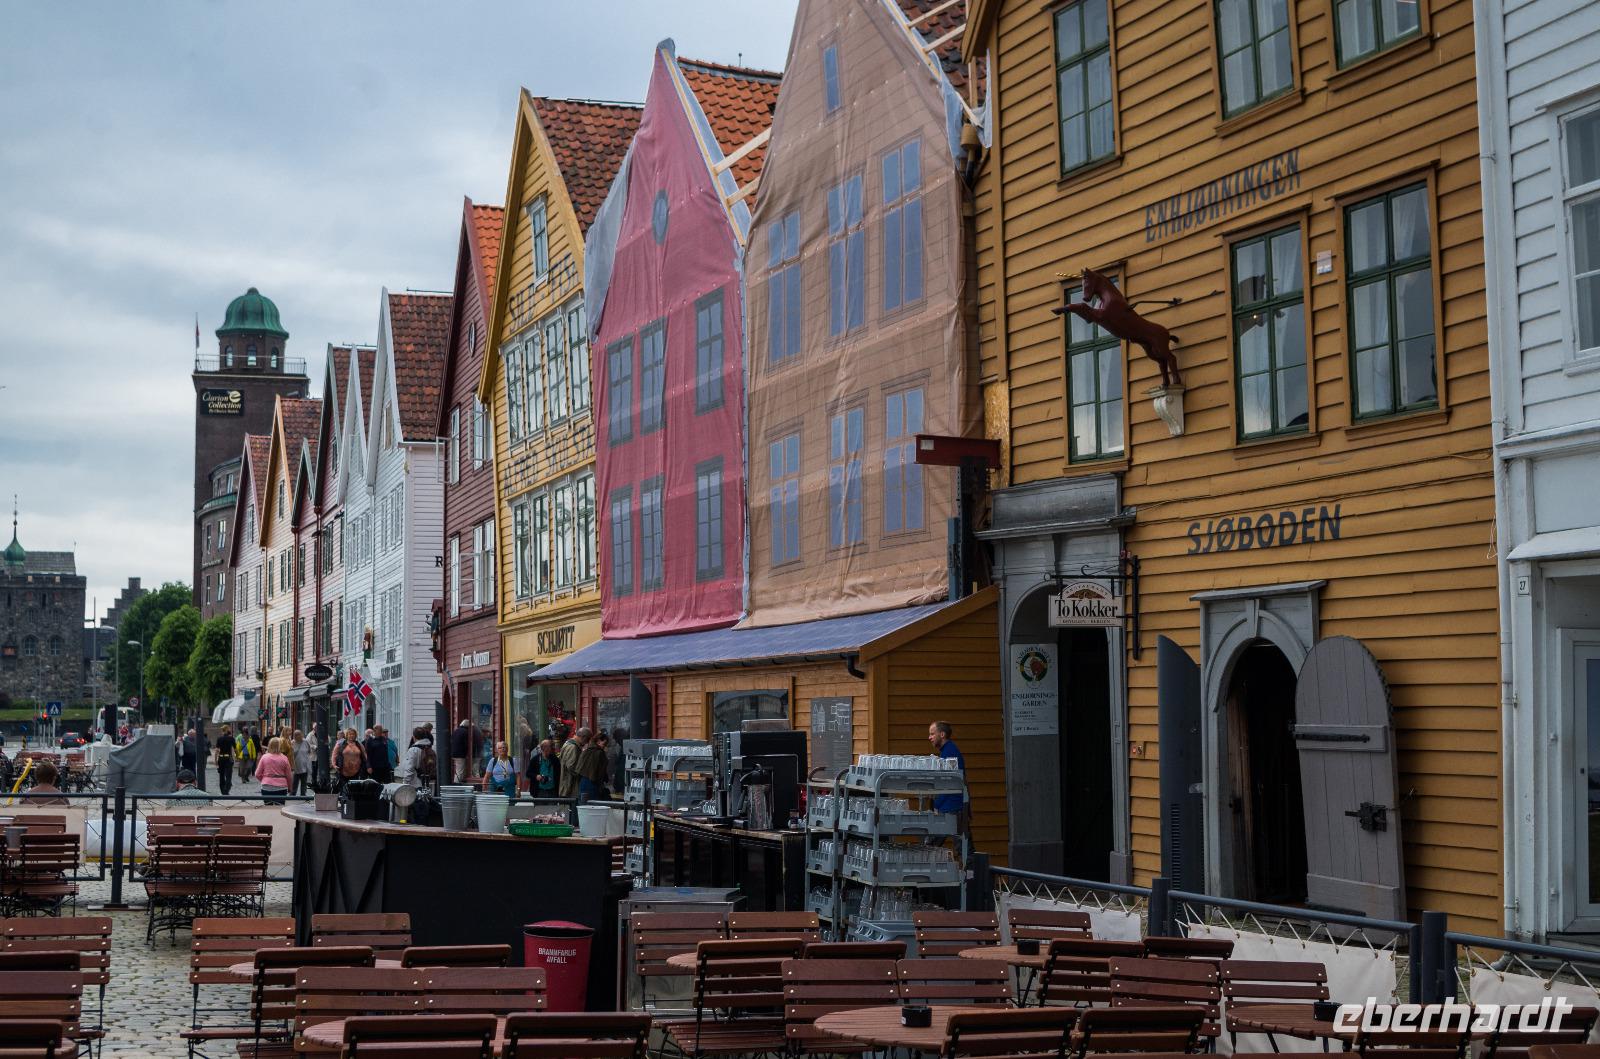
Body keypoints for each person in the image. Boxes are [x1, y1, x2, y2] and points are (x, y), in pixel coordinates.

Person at [927, 721, 969, 832]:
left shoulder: (949, 752)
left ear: (942, 734)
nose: (929, 737)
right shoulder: (946, 750)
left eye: (932, 734)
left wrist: (936, 804)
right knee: (933, 843)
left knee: (963, 846)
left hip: (953, 807)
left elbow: (949, 782)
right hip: (950, 806)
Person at [255, 737, 292, 805]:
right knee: (279, 807)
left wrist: (265, 779)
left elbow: (257, 774)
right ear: (280, 746)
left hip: (266, 786)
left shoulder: (264, 757)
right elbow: (289, 776)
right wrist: (290, 787)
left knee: (268, 808)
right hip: (281, 787)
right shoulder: (284, 758)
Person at [575, 728, 607, 802]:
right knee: (594, 806)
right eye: (604, 744)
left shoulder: (587, 750)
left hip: (583, 782)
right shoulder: (599, 753)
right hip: (593, 783)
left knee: (584, 806)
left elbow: (579, 767)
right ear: (598, 741)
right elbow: (599, 771)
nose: (605, 746)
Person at [557, 728, 583, 798]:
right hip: (570, 785)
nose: (587, 742)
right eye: (587, 739)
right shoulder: (573, 747)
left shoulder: (568, 744)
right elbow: (571, 766)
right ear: (582, 737)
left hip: (567, 785)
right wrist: (580, 773)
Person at [214, 724, 235, 796]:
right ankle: (227, 790)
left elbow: (217, 750)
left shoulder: (219, 739)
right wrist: (236, 757)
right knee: (228, 775)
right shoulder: (231, 738)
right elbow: (235, 749)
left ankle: (222, 790)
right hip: (228, 758)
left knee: (221, 775)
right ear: (227, 730)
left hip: (221, 758)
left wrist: (215, 760)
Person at [450, 719, 473, 783]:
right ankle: (456, 784)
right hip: (460, 754)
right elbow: (466, 744)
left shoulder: (456, 731)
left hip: (454, 753)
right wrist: (467, 753)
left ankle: (459, 782)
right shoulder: (465, 732)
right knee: (460, 770)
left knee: (459, 769)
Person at [608, 727, 628, 796]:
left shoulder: (625, 748)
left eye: (616, 739)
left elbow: (621, 768)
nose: (616, 742)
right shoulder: (623, 747)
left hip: (622, 781)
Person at [291, 730, 311, 796]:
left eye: (299, 734)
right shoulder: (292, 743)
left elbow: (309, 751)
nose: (298, 736)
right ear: (294, 736)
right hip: (295, 767)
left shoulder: (305, 742)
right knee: (294, 784)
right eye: (296, 735)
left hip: (304, 767)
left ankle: (303, 797)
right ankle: (292, 796)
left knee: (303, 784)